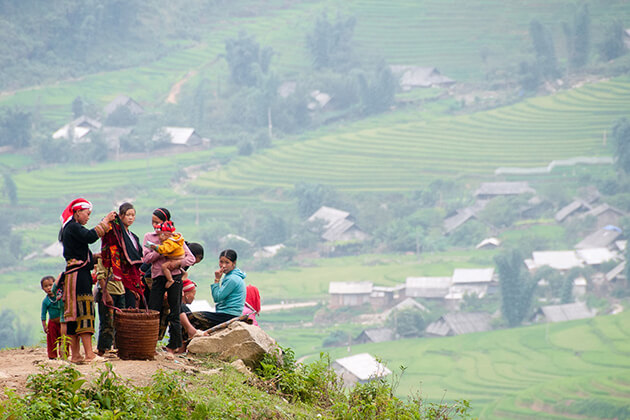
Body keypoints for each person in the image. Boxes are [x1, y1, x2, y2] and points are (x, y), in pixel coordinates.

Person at [59, 198, 116, 363]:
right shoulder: (74, 228)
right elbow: (90, 236)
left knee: (73, 314)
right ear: (77, 212)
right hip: (80, 276)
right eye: (87, 213)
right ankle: (89, 354)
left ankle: (76, 355)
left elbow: (79, 251)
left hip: (73, 275)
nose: (88, 217)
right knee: (84, 311)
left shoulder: (69, 229)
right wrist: (105, 222)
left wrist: (94, 257)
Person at [143, 208, 195, 356]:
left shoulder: (176, 238)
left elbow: (190, 258)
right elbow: (146, 259)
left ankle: (174, 346)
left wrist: (176, 263)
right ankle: (149, 344)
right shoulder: (149, 237)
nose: (155, 226)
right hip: (158, 277)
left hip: (175, 276)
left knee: (175, 310)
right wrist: (160, 252)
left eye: (158, 222)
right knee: (153, 310)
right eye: (153, 222)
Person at [96, 202, 145, 356]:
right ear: (121, 216)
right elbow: (100, 273)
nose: (131, 218)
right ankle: (103, 349)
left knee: (120, 321)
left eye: (133, 215)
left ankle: (118, 348)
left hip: (121, 288)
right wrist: (105, 292)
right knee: (107, 322)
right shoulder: (108, 253)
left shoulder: (131, 240)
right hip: (108, 289)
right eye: (128, 215)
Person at [195, 249, 246, 332]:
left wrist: (217, 280)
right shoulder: (232, 276)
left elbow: (217, 297)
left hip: (228, 315)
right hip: (228, 313)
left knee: (191, 317)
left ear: (234, 263)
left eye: (227, 262)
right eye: (221, 262)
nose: (223, 266)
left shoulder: (232, 279)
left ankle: (181, 344)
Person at [147, 220, 185, 289]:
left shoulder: (169, 242)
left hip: (176, 258)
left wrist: (156, 247)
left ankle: (170, 280)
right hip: (177, 257)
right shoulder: (174, 239)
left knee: (164, 266)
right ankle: (183, 272)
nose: (159, 237)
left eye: (160, 235)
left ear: (167, 234)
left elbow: (164, 249)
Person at [40, 275, 65, 359]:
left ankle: (64, 355)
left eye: (50, 285)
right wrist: (45, 326)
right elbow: (43, 315)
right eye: (46, 286)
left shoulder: (60, 297)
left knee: (64, 339)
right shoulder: (46, 301)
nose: (49, 288)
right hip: (52, 323)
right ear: (43, 288)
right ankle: (52, 356)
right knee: (52, 340)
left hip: (63, 322)